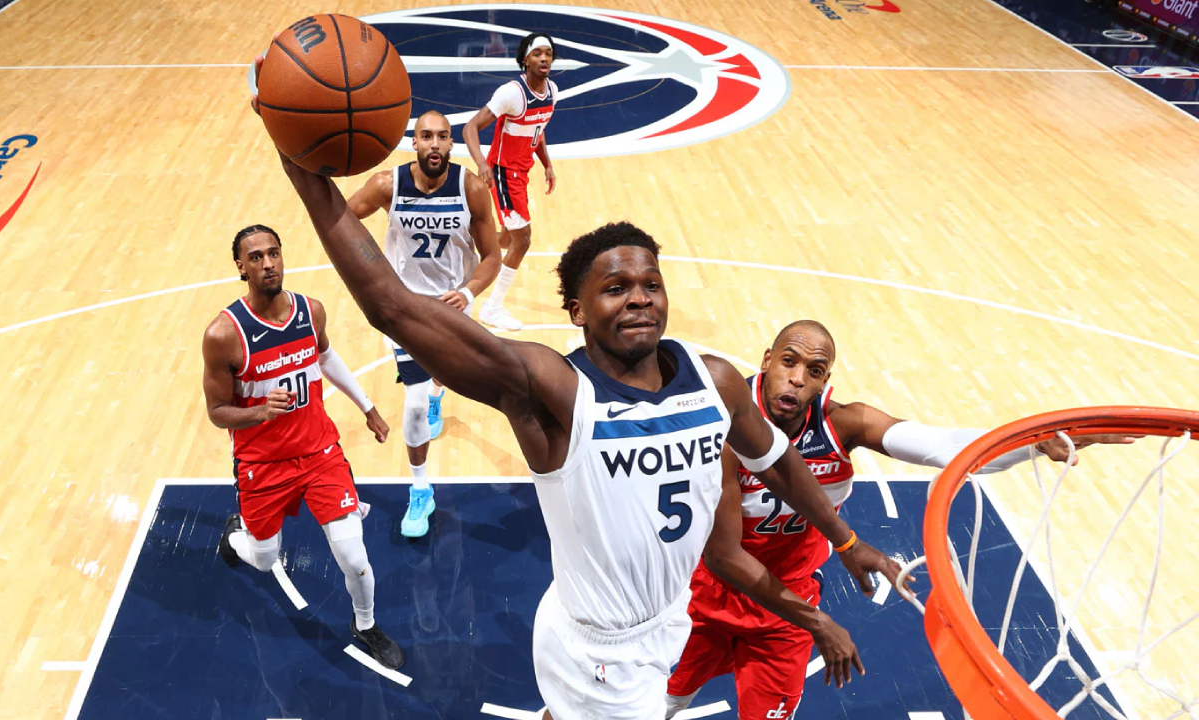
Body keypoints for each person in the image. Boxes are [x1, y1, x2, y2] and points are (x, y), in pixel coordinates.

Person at [253, 59, 901, 708]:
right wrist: (299, 163)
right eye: (615, 289)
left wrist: (846, 542)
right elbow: (391, 306)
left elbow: (782, 462)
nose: (640, 299)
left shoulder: (717, 380)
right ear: (576, 310)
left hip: (668, 623)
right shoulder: (552, 389)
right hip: (600, 655)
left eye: (651, 284)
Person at [665, 319, 1136, 720]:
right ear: (766, 360)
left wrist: (1035, 442)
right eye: (788, 362)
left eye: (814, 370)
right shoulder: (721, 420)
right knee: (659, 701)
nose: (796, 379)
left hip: (784, 602)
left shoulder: (842, 424)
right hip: (706, 593)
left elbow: (944, 446)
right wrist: (824, 620)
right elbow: (724, 555)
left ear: (826, 380)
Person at [200, 224, 404, 670]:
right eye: (256, 257)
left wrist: (367, 406)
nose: (268, 263)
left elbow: (326, 357)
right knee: (264, 558)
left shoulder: (310, 311)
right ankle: (237, 538)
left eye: (273, 253)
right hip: (262, 464)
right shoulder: (223, 334)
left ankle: (365, 623)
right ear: (240, 266)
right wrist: (258, 412)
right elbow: (217, 410)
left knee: (355, 557)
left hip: (319, 454)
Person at [347, 110, 502, 538]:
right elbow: (341, 221)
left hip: (453, 305)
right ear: (413, 143)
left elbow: (493, 256)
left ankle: (437, 392)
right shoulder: (386, 185)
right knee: (413, 404)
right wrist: (373, 272)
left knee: (439, 378)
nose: (435, 144)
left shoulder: (470, 188)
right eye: (426, 136)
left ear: (451, 144)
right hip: (406, 309)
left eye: (443, 137)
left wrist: (469, 292)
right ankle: (421, 490)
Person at [461, 31, 559, 331]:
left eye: (549, 53)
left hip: (522, 171)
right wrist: (481, 164)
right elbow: (470, 127)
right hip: (503, 173)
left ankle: (464, 244)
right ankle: (492, 308)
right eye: (538, 53)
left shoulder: (553, 91)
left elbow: (538, 129)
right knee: (523, 239)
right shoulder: (511, 93)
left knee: (505, 238)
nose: (544, 58)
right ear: (525, 59)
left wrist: (547, 164)